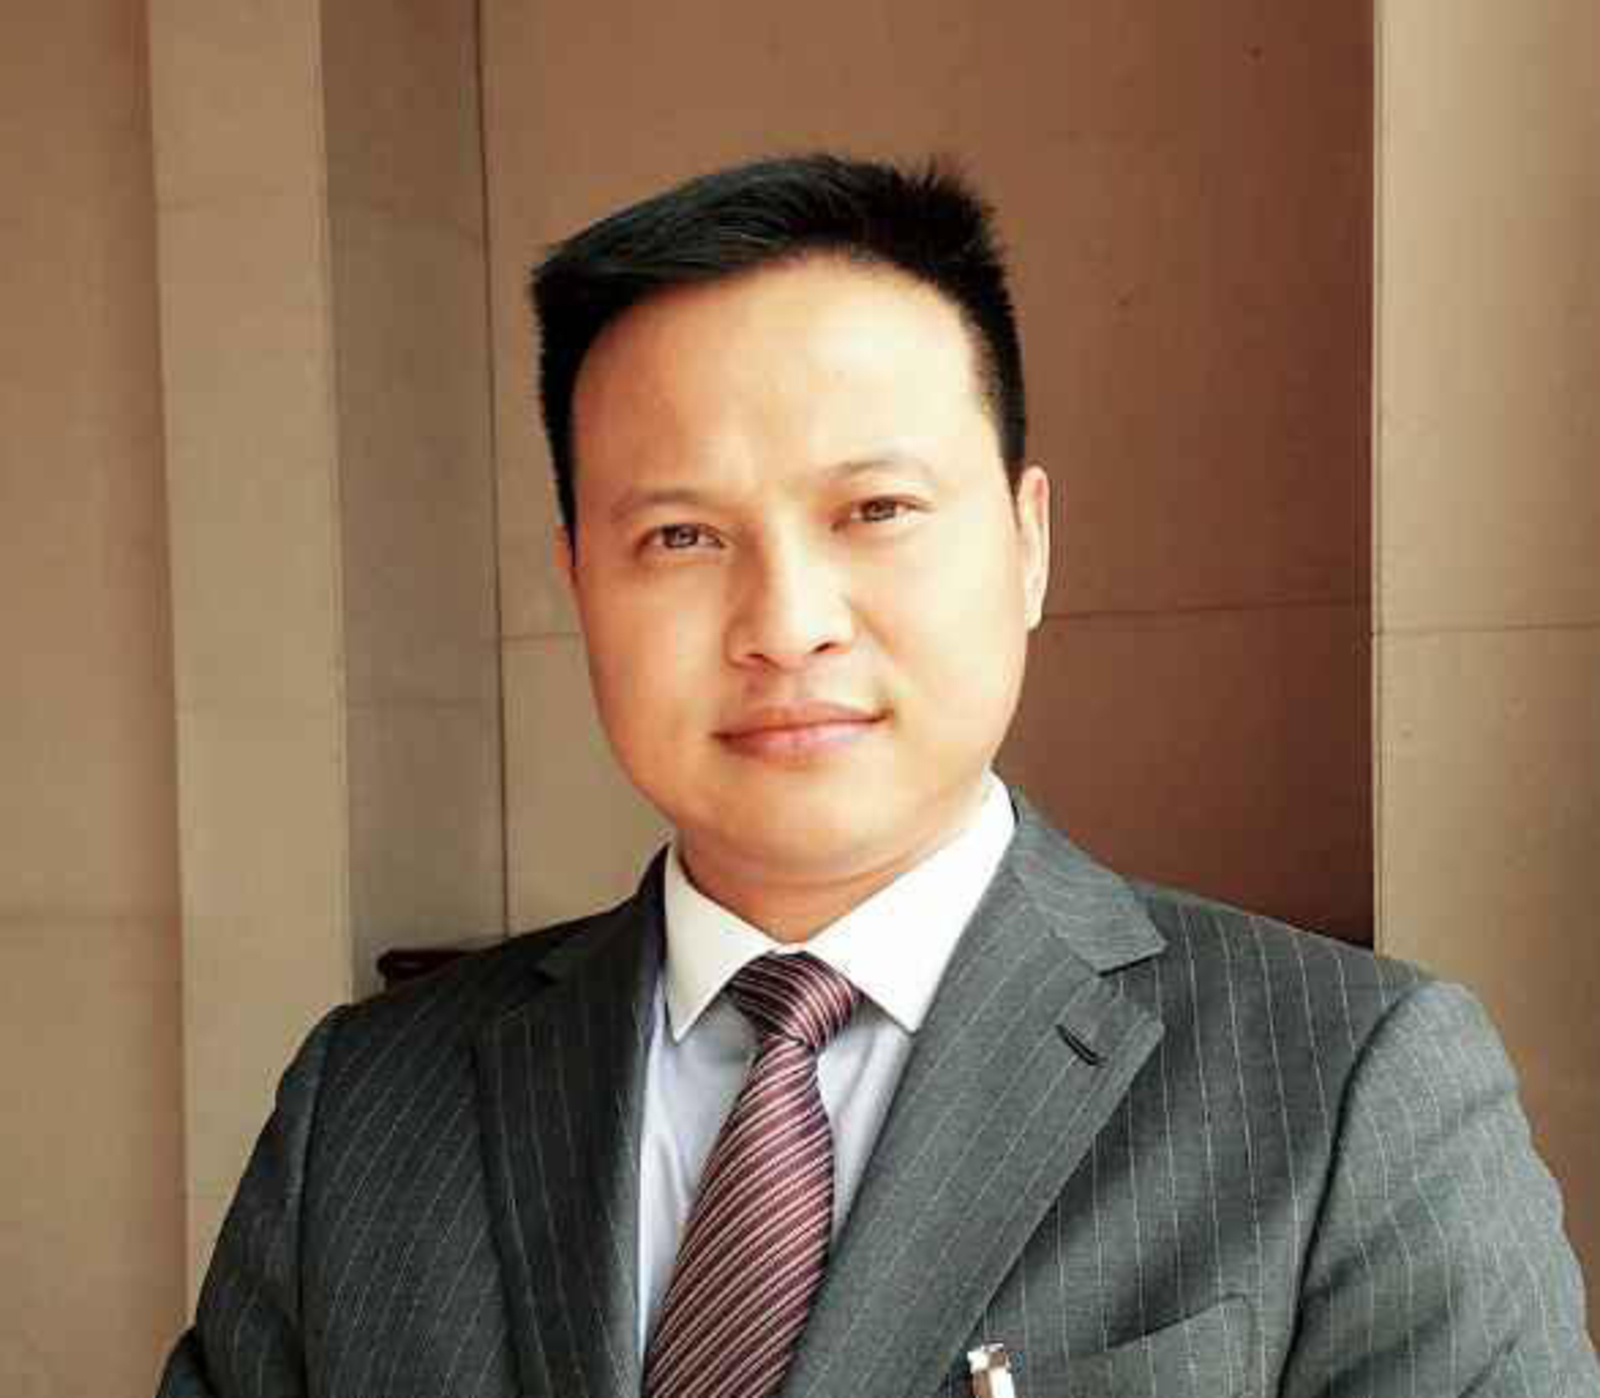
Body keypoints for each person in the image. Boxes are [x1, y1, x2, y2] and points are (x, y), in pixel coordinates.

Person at [157, 154, 1598, 1398]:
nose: (788, 623)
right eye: (681, 537)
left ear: (1028, 544)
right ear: (579, 580)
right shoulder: (364, 1108)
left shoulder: (1348, 1088)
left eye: (877, 509)